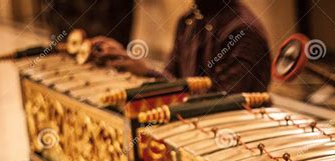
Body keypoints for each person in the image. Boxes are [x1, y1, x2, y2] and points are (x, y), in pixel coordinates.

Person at [95, 0, 272, 93]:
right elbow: (173, 77)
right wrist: (130, 63)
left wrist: (147, 71)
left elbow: (220, 105)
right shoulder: (188, 21)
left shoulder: (242, 32)